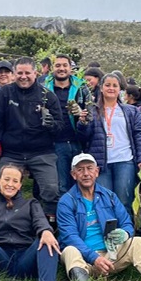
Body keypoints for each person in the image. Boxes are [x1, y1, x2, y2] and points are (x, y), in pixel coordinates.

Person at [57, 154, 141, 281]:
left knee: (137, 242)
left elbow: (127, 223)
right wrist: (94, 258)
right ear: (73, 175)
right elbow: (70, 237)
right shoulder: (66, 201)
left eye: (89, 168)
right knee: (69, 251)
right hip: (84, 260)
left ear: (96, 172)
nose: (86, 173)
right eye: (80, 170)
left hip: (111, 257)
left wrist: (125, 233)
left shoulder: (110, 196)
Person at [0, 57, 63, 219]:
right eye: (20, 73)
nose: (23, 76)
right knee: (5, 188)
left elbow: (60, 127)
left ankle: (50, 225)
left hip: (41, 151)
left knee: (51, 189)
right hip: (13, 152)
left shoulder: (47, 96)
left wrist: (51, 124)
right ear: (14, 74)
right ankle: (5, 222)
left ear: (36, 73)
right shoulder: (4, 93)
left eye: (28, 73)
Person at [79, 74, 141, 212]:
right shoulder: (92, 110)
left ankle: (126, 232)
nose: (111, 88)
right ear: (101, 88)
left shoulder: (131, 111)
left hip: (125, 161)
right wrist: (83, 123)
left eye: (115, 85)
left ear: (120, 90)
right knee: (103, 202)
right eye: (108, 85)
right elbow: (83, 138)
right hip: (100, 163)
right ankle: (107, 232)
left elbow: (140, 136)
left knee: (124, 200)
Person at [44, 54, 93, 195]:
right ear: (53, 68)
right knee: (61, 185)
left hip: (78, 141)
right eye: (58, 65)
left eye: (64, 65)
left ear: (70, 68)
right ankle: (63, 215)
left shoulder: (82, 88)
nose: (61, 68)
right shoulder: (44, 88)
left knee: (81, 183)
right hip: (54, 142)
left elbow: (90, 116)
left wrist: (83, 117)